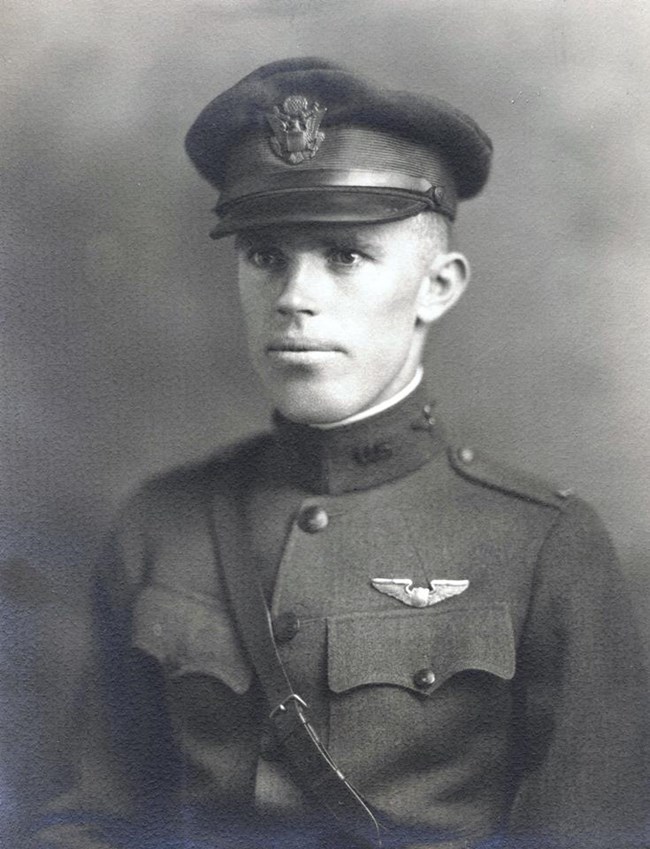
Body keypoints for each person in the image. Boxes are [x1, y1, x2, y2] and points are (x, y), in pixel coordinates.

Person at [35, 57, 648, 849]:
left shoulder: (545, 546)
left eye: (345, 256)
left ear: (438, 285)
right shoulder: (161, 522)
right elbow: (94, 814)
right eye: (265, 256)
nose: (294, 295)